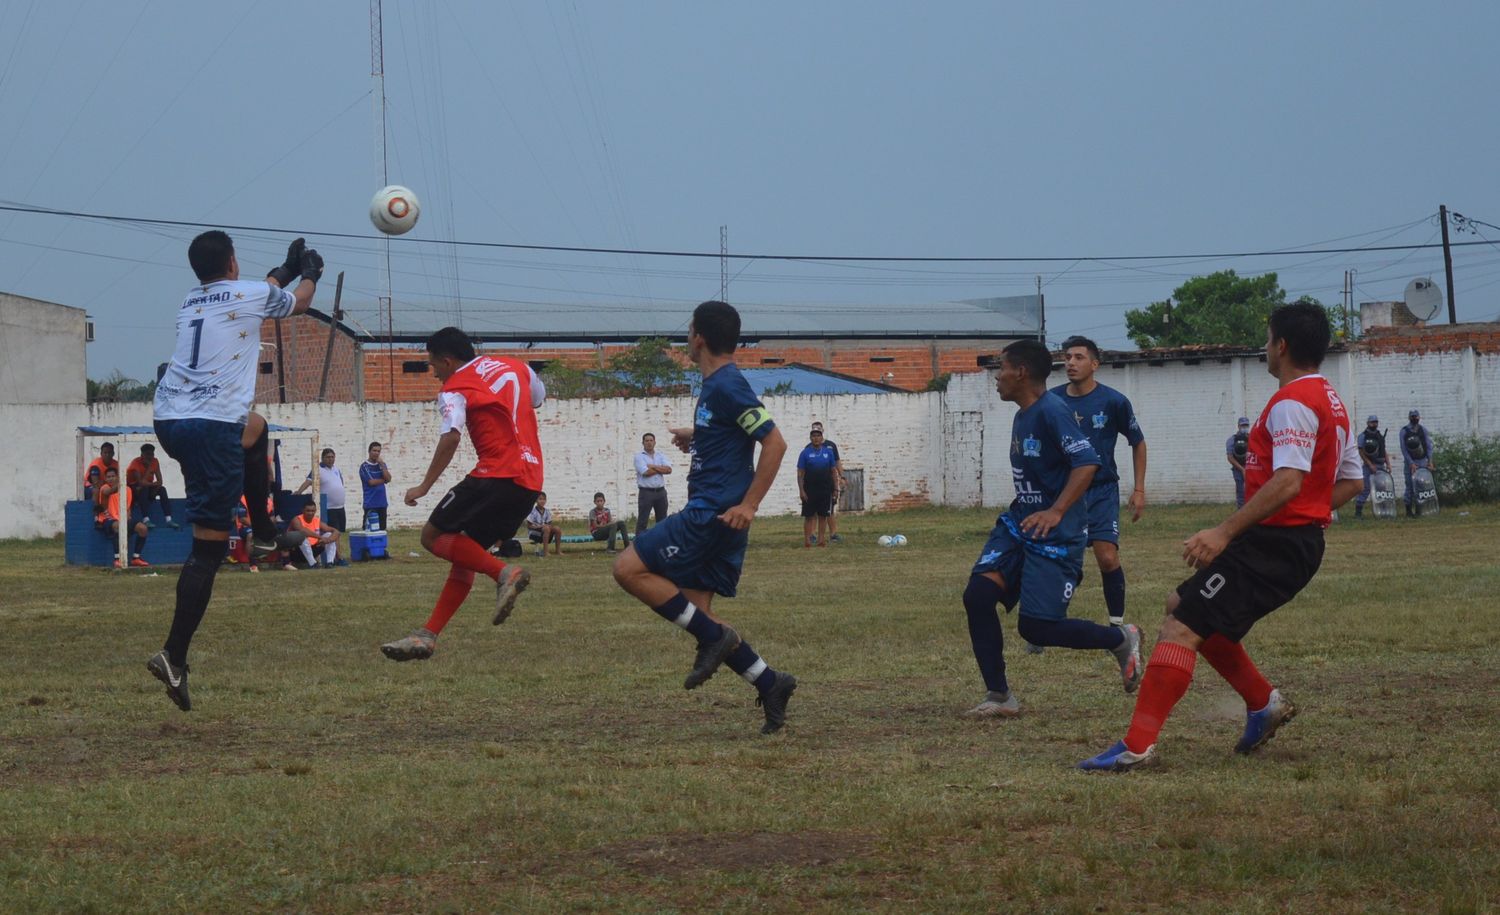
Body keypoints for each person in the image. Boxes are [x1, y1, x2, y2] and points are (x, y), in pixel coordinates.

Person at [1079, 301, 1364, 772]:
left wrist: (1223, 531)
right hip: (1284, 541)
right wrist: (1306, 514)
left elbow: (1290, 480)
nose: (1265, 348)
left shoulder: (1293, 402)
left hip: (1275, 544)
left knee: (1181, 627)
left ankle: (1136, 745)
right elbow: (1351, 481)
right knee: (1181, 607)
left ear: (1282, 345)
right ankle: (1261, 703)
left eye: (1268, 339)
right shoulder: (1332, 400)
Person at [146, 231, 323, 710]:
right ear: (231, 261)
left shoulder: (192, 299)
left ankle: (264, 532)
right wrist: (309, 272)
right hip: (210, 426)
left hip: (169, 419)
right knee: (207, 551)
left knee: (257, 427)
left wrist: (283, 270)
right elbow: (299, 303)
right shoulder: (249, 294)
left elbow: (259, 291)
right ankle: (173, 656)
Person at [612, 301, 798, 735]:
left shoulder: (727, 385)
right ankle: (771, 683)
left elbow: (775, 444)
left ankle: (721, 643)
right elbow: (738, 432)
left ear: (698, 338)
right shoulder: (717, 386)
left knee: (627, 568)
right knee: (697, 614)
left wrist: (749, 506)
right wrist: (700, 436)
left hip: (713, 513)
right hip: (722, 515)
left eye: (689, 329)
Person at [959, 339, 1141, 719]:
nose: (997, 376)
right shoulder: (1023, 413)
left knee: (1037, 628)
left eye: (1002, 368)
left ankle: (1120, 639)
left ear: (1021, 372)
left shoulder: (1052, 412)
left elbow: (1088, 463)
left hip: (1055, 537)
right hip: (1018, 525)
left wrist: (1057, 511)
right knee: (977, 596)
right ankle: (999, 695)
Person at [379, 327, 543, 662]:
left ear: (447, 360)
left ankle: (505, 573)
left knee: (432, 535)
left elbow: (451, 436)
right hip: (530, 480)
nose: (434, 373)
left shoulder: (454, 388)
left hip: (496, 473)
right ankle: (427, 636)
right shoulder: (517, 366)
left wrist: (423, 486)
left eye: (433, 365)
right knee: (464, 551)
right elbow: (538, 398)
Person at [1051, 336, 1147, 629]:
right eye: (1067, 357)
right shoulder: (1053, 401)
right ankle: (1044, 622)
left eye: (1079, 357)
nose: (1071, 363)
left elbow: (1138, 442)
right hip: (1066, 491)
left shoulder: (1114, 401)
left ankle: (1117, 625)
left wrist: (1139, 489)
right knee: (1060, 558)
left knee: (1107, 557)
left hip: (1102, 490)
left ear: (1095, 364)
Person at [96, 467, 150, 568]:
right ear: (105, 479)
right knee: (118, 526)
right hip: (107, 520)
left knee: (143, 528)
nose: (111, 479)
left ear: (117, 477)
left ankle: (136, 558)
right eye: (108, 477)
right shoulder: (105, 488)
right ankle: (117, 559)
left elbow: (128, 507)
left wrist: (128, 518)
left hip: (123, 519)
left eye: (113, 476)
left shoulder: (127, 489)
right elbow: (110, 491)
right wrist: (121, 482)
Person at [797, 425, 839, 547]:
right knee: (809, 516)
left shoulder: (828, 452)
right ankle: (808, 540)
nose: (816, 438)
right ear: (810, 438)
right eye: (813, 436)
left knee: (823, 516)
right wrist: (801, 490)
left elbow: (833, 471)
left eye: (818, 436)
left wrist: (835, 488)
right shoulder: (805, 453)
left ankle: (821, 540)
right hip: (809, 489)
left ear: (822, 438)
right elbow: (800, 474)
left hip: (825, 489)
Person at [126, 443, 179, 529]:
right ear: (141, 455)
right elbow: (140, 482)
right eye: (147, 454)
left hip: (147, 487)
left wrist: (153, 485)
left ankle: (168, 519)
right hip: (133, 490)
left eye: (152, 454)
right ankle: (146, 519)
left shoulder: (155, 461)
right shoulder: (135, 463)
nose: (150, 457)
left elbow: (160, 481)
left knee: (162, 489)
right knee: (143, 488)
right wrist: (149, 469)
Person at [295, 448, 348, 534]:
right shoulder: (317, 469)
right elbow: (308, 482)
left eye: (332, 457)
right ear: (322, 458)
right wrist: (299, 491)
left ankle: (338, 547)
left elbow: (340, 483)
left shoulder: (336, 469)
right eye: (328, 457)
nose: (330, 459)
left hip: (340, 507)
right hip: (329, 508)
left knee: (341, 532)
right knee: (332, 532)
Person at [809, 422, 845, 542]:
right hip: (813, 485)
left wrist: (842, 476)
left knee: (829, 510)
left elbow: (837, 462)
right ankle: (812, 535)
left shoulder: (831, 446)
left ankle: (833, 534)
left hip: (828, 484)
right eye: (814, 431)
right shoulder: (808, 447)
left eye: (818, 431)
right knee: (813, 511)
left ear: (822, 431)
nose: (816, 434)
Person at [1399, 409, 1436, 517]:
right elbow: (1403, 449)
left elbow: (1429, 446)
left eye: (1416, 416)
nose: (1414, 418)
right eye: (1412, 416)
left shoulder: (1423, 430)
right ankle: (1408, 511)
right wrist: (1411, 463)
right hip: (1410, 462)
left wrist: (1430, 462)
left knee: (1422, 486)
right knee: (1410, 486)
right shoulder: (1404, 431)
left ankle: (1421, 509)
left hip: (1422, 461)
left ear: (1419, 417)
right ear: (1409, 417)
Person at [1353, 415, 1391, 518]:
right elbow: (1361, 451)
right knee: (1365, 488)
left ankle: (1383, 511)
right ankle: (1358, 512)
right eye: (1372, 422)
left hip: (1380, 465)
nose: (1374, 424)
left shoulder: (1379, 435)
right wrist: (1370, 465)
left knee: (1382, 489)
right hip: (1368, 466)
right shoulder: (1363, 436)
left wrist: (1388, 464)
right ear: (1368, 423)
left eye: (1376, 422)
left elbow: (1384, 451)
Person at [634, 433, 672, 535]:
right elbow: (645, 472)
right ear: (643, 443)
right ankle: (638, 545)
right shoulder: (639, 457)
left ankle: (661, 543)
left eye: (651, 440)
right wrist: (661, 468)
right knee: (643, 520)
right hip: (646, 493)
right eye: (647, 441)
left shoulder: (661, 455)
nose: (649, 443)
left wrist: (653, 466)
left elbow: (669, 470)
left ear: (655, 442)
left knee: (662, 520)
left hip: (661, 492)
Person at [288, 501, 339, 568]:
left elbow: (336, 532)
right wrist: (320, 537)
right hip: (296, 552)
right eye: (308, 511)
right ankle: (313, 564)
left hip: (313, 549)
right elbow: (303, 531)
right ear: (302, 510)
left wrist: (328, 540)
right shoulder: (296, 519)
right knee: (301, 536)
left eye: (312, 511)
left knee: (329, 534)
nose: (310, 513)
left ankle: (330, 563)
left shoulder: (316, 520)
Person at [359, 441, 392, 531]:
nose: (376, 453)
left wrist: (382, 465)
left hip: (382, 503)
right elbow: (371, 482)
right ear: (369, 452)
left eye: (378, 451)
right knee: (369, 530)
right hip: (370, 504)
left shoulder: (382, 465)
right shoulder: (364, 466)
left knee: (382, 530)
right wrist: (383, 480)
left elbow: (388, 478)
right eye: (374, 450)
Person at [526, 492, 563, 556]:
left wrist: (548, 527)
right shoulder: (532, 511)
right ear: (536, 500)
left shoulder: (547, 511)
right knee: (546, 528)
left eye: (544, 499)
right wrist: (540, 526)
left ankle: (558, 551)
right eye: (540, 499)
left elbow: (549, 524)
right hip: (534, 533)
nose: (542, 501)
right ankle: (546, 552)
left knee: (557, 529)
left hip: (545, 531)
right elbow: (529, 526)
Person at [1226, 417, 1250, 508]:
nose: (1244, 427)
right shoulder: (1232, 440)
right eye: (1242, 425)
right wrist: (1242, 469)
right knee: (1241, 493)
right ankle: (1241, 513)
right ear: (1238, 426)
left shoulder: (1252, 438)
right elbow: (1230, 457)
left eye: (1246, 425)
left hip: (1251, 469)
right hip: (1238, 469)